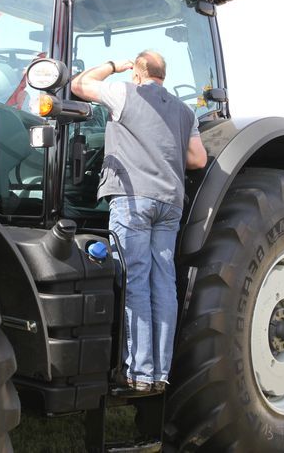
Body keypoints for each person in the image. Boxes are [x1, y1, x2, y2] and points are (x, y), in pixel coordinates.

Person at [71, 50, 207, 392]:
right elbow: (197, 159)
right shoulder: (184, 111)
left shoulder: (124, 92)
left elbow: (79, 84)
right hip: (170, 203)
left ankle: (140, 372)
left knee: (135, 280)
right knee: (163, 284)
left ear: (138, 73)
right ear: (165, 75)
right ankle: (160, 374)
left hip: (133, 200)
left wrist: (116, 65)